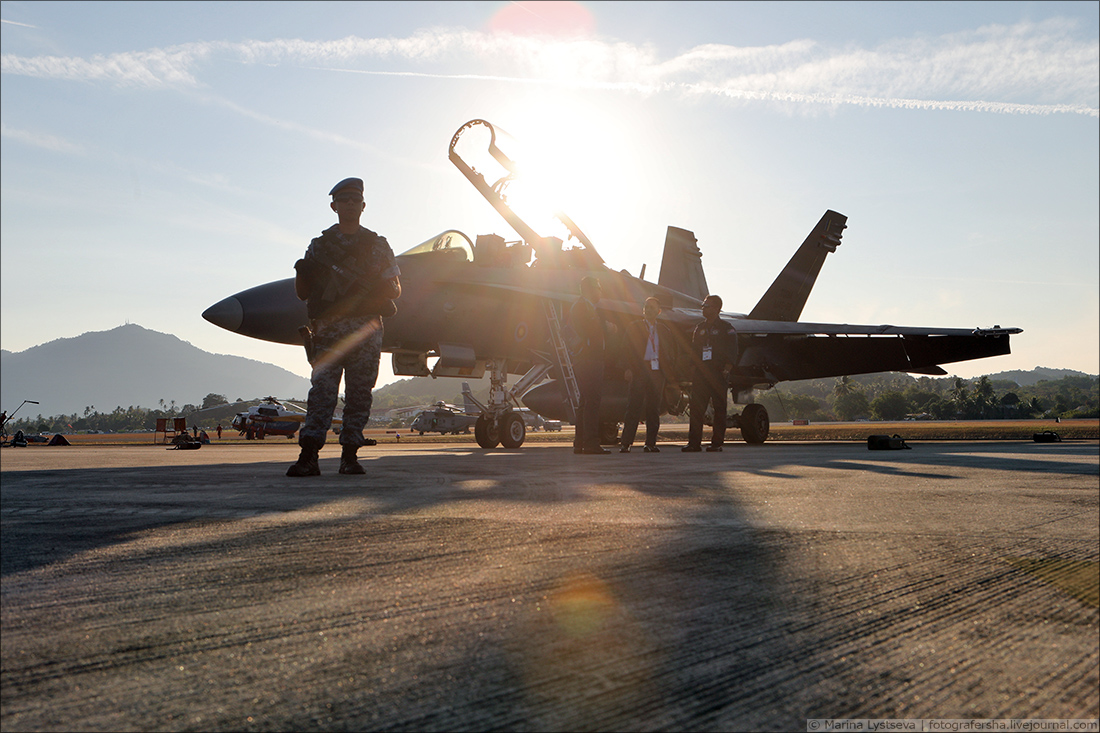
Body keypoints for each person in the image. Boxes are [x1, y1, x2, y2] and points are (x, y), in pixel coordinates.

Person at [286, 177, 401, 476]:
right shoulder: (320, 246)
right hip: (329, 330)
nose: (350, 204)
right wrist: (302, 271)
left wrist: (378, 288)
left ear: (363, 206)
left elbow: (395, 289)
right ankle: (309, 456)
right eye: (344, 200)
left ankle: (350, 456)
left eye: (355, 200)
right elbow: (303, 293)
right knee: (322, 392)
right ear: (333, 206)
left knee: (359, 393)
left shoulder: (377, 245)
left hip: (366, 330)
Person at [619, 297, 678, 453]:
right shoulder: (634, 327)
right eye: (646, 307)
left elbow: (671, 350)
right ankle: (626, 443)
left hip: (657, 371)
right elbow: (625, 349)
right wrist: (628, 368)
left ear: (659, 311)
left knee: (654, 408)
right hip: (639, 370)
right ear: (643, 310)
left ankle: (650, 443)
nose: (649, 310)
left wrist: (668, 370)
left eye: (652, 307)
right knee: (633, 406)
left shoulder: (664, 330)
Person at [683, 294, 738, 452]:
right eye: (703, 306)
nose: (703, 308)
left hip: (718, 373)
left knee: (719, 409)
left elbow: (733, 349)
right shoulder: (700, 328)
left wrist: (727, 368)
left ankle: (716, 443)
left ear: (716, 308)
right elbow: (694, 350)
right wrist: (693, 368)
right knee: (696, 409)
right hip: (701, 374)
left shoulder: (726, 328)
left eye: (707, 306)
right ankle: (694, 444)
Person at [569, 276, 612, 455]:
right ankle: (591, 443)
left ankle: (580, 443)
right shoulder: (583, 307)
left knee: (585, 401)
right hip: (590, 359)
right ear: (591, 289)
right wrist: (606, 326)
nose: (600, 292)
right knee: (592, 401)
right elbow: (589, 330)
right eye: (599, 288)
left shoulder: (583, 306)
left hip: (584, 358)